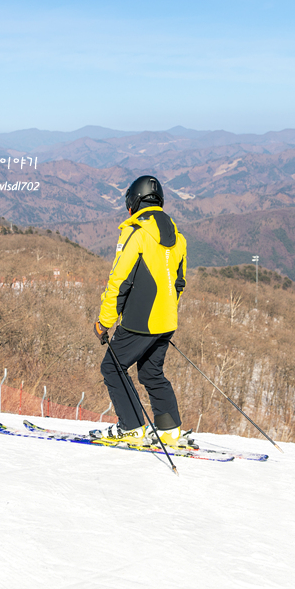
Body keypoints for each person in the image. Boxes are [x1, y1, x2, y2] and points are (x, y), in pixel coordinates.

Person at [90, 175, 190, 448]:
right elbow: (179, 283)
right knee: (150, 372)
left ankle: (132, 427)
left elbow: (119, 281)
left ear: (133, 202)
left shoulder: (136, 233)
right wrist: (166, 313)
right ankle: (170, 431)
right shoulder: (178, 238)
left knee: (112, 367)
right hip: (167, 319)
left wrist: (104, 321)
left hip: (139, 321)